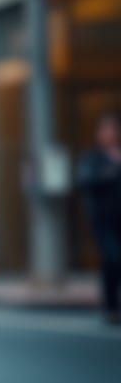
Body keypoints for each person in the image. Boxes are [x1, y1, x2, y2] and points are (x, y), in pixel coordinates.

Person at [77, 111, 121, 324]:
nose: (110, 134)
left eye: (113, 129)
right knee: (112, 258)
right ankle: (110, 306)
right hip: (103, 220)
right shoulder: (93, 158)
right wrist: (112, 170)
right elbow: (86, 182)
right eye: (106, 129)